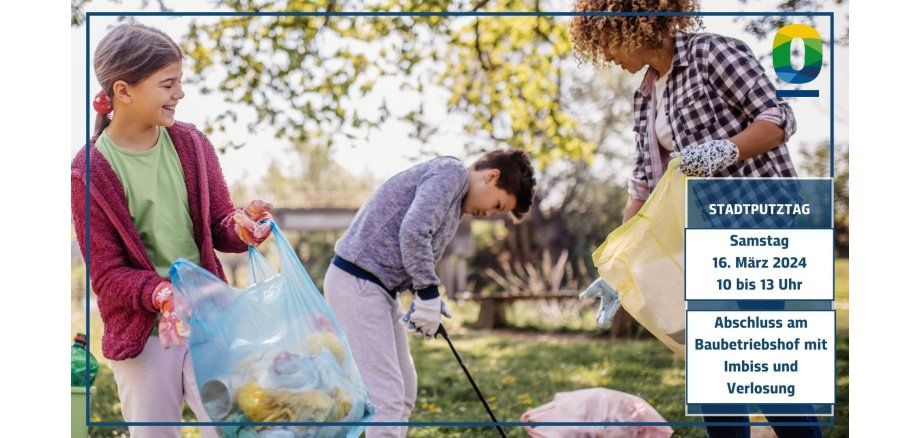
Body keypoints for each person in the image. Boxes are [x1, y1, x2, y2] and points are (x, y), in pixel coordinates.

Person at [569, 1, 822, 437]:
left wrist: (725, 149)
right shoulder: (645, 95)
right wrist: (617, 268)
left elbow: (779, 117)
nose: (605, 56)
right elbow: (642, 187)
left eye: (603, 41)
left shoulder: (714, 53)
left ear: (629, 24)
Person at [71, 23, 273, 438]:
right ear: (123, 91)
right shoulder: (89, 171)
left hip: (208, 316)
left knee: (234, 427)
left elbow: (220, 225)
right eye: (168, 84)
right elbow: (107, 275)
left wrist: (242, 227)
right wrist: (160, 294)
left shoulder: (191, 144)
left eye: (179, 82)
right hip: (142, 332)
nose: (179, 94)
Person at [323, 151, 536, 437]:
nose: (488, 214)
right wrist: (427, 291)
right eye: (497, 205)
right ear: (491, 175)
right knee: (387, 398)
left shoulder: (456, 201)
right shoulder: (451, 173)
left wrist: (425, 299)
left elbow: (411, 248)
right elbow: (413, 232)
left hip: (381, 289)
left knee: (405, 391)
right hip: (357, 282)